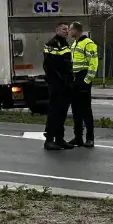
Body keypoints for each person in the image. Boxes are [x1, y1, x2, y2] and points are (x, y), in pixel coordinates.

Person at [42, 22, 74, 151]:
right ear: (57, 30)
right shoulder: (52, 44)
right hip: (56, 83)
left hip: (66, 83)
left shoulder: (66, 43)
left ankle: (60, 139)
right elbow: (49, 65)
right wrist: (57, 80)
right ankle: (49, 140)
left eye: (67, 29)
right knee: (54, 111)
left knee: (62, 111)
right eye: (63, 29)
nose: (66, 31)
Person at [67, 22, 98, 148]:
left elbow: (93, 63)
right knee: (75, 110)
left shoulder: (88, 44)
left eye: (70, 29)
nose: (68, 32)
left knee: (86, 110)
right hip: (75, 79)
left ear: (76, 30)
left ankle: (90, 138)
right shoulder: (74, 43)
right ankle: (78, 137)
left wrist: (87, 80)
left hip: (83, 77)